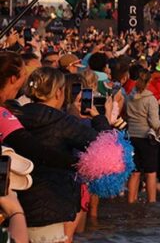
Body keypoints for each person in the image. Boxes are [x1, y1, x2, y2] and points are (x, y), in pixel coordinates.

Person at [11, 67, 112, 243]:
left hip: (14, 203)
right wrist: (99, 118)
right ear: (58, 92)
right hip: (50, 204)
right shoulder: (62, 122)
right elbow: (106, 147)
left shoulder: (14, 115)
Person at [126, 65, 160, 204]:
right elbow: (155, 123)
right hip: (146, 138)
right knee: (150, 172)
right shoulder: (150, 99)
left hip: (131, 137)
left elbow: (126, 116)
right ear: (148, 82)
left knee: (134, 172)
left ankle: (131, 201)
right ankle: (151, 202)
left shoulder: (129, 96)